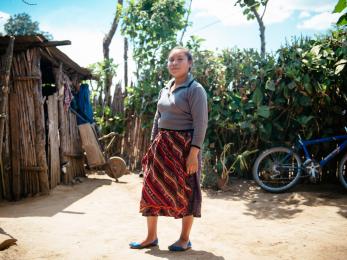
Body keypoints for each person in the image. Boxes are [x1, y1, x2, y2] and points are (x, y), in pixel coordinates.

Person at [129, 47, 208, 251]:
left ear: (189, 63)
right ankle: (151, 237)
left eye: (179, 59)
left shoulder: (195, 89)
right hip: (162, 146)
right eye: (170, 59)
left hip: (184, 147)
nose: (174, 63)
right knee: (151, 188)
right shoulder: (166, 88)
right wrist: (153, 146)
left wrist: (193, 154)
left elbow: (201, 124)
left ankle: (184, 239)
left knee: (187, 190)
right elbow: (158, 118)